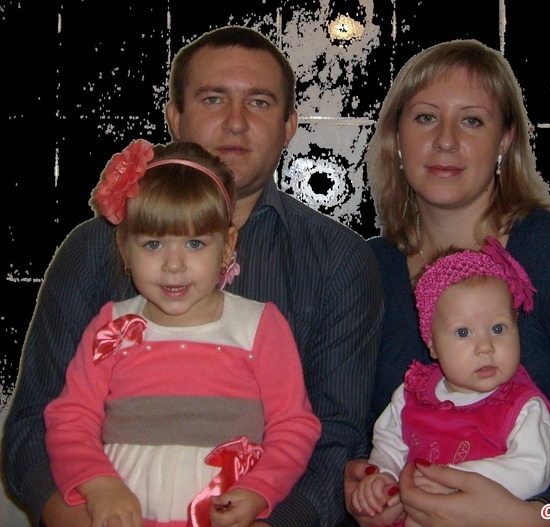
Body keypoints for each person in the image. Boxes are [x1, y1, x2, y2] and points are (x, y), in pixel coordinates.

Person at [3, 26, 383, 527]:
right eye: (212, 98)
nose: (236, 122)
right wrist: (69, 514)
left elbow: (336, 434)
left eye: (260, 102)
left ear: (289, 125)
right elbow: (37, 419)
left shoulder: (340, 260)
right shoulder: (94, 248)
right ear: (175, 117)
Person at [343, 38, 550, 526]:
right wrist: (358, 483)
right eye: (425, 117)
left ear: (505, 140)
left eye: (472, 121)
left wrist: (539, 517)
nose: (446, 140)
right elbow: (345, 428)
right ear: (397, 137)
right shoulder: (365, 268)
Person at [43, 139, 322, 527]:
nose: (173, 265)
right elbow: (70, 419)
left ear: (228, 246)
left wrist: (259, 490)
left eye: (194, 243)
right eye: (153, 244)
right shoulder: (111, 327)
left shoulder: (259, 326)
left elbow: (293, 425)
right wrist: (99, 485)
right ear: (124, 249)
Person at [349, 239, 550, 526]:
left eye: (498, 328)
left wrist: (454, 480)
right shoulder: (412, 394)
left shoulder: (523, 406)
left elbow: (534, 469)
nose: (485, 346)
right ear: (432, 344)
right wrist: (381, 478)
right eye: (463, 332)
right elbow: (389, 445)